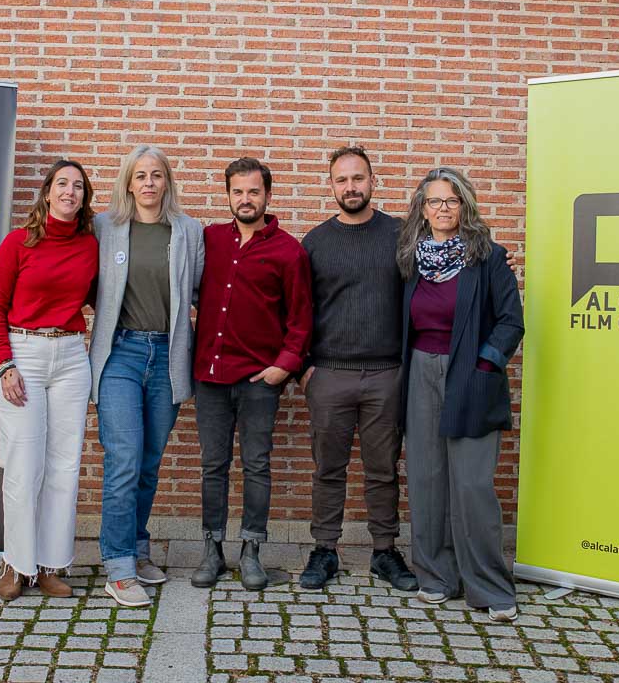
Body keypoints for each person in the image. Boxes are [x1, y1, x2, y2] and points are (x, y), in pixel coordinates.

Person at [398, 166, 524, 622]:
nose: (443, 208)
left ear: (464, 205)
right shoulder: (410, 259)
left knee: (471, 485)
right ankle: (437, 577)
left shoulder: (487, 257)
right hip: (421, 372)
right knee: (426, 479)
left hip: (470, 373)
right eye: (434, 201)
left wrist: (484, 364)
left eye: (451, 200)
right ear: (422, 209)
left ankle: (489, 586)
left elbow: (511, 321)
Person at [89, 145, 204, 608]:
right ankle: (118, 567)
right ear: (128, 183)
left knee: (149, 462)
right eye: (140, 176)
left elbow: (200, 293)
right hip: (121, 354)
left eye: (157, 175)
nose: (149, 183)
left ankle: (137, 549)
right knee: (124, 458)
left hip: (167, 356)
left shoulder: (189, 230)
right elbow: (86, 285)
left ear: (167, 181)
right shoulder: (105, 227)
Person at [297, 146, 417, 592]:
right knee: (328, 469)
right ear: (331, 186)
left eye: (358, 178)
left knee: (383, 470)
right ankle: (324, 550)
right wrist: (304, 368)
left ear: (373, 181)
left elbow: (441, 273)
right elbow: (298, 309)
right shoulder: (315, 242)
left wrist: (496, 258)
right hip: (329, 374)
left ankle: (384, 551)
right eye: (342, 180)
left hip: (386, 374)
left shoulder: (401, 235)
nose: (351, 187)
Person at [191, 157, 312, 591]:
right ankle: (212, 550)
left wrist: (284, 366)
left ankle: (252, 551)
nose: (245, 199)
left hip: (259, 380)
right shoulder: (209, 240)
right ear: (228, 195)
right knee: (213, 465)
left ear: (267, 196)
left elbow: (301, 319)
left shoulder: (289, 251)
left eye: (253, 192)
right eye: (238, 191)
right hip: (210, 376)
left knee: (257, 465)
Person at [0, 159, 98, 602]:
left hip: (70, 356)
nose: (70, 192)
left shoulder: (89, 246)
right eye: (62, 184)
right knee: (23, 465)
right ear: (47, 192)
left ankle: (51, 565)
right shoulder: (18, 242)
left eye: (78, 187)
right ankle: (16, 563)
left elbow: (100, 298)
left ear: (84, 199)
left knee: (64, 466)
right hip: (24, 354)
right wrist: (4, 364)